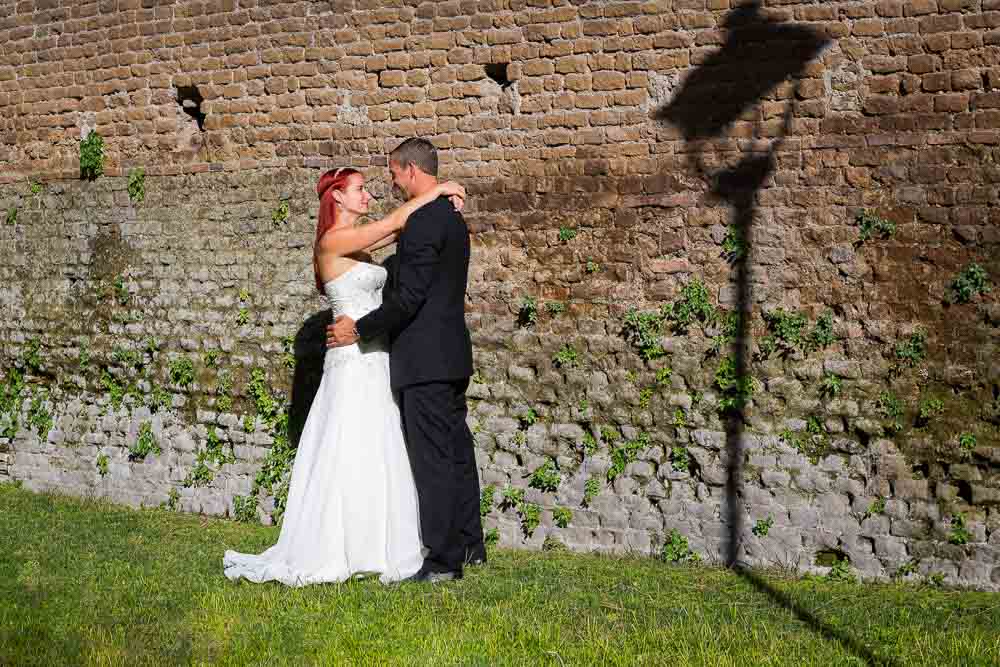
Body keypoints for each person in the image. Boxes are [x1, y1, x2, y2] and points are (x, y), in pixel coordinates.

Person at [222, 166, 466, 586]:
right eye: (359, 190)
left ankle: (381, 541)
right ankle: (341, 543)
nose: (368, 195)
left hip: (377, 357)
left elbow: (401, 228)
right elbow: (394, 222)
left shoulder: (364, 248)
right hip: (352, 359)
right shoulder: (333, 241)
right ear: (336, 197)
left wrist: (440, 203)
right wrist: (439, 188)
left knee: (381, 445)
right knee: (349, 444)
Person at [327, 138, 485, 583]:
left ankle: (441, 561)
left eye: (395, 174)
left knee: (433, 458)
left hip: (424, 358)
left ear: (411, 170)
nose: (393, 183)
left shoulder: (421, 222)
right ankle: (470, 544)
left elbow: (411, 297)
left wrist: (358, 329)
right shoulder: (453, 219)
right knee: (457, 452)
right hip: (452, 353)